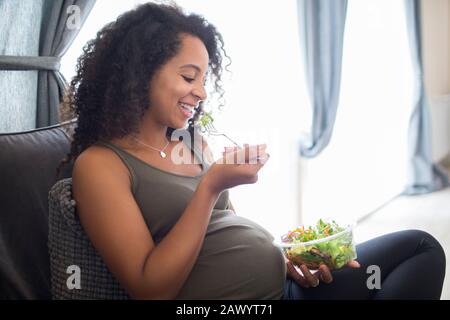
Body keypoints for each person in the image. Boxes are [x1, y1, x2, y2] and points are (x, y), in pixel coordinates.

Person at [55, 2, 446, 300]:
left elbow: (226, 232)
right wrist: (210, 185)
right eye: (189, 76)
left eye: (205, 79)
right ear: (140, 74)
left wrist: (289, 260)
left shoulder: (191, 143)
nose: (202, 92)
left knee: (419, 249)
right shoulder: (102, 165)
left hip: (284, 287)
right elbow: (150, 289)